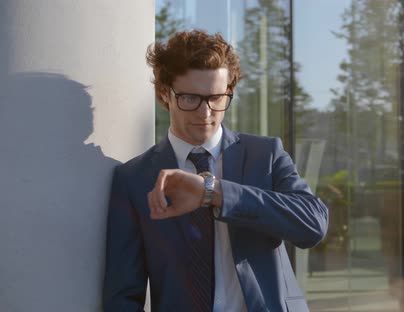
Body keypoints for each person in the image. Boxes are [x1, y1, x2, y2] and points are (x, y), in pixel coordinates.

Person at [102, 30, 328, 312]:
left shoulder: (265, 154)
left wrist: (215, 193)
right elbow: (122, 295)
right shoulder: (134, 179)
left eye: (216, 98)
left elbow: (313, 225)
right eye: (190, 99)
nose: (205, 113)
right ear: (164, 94)